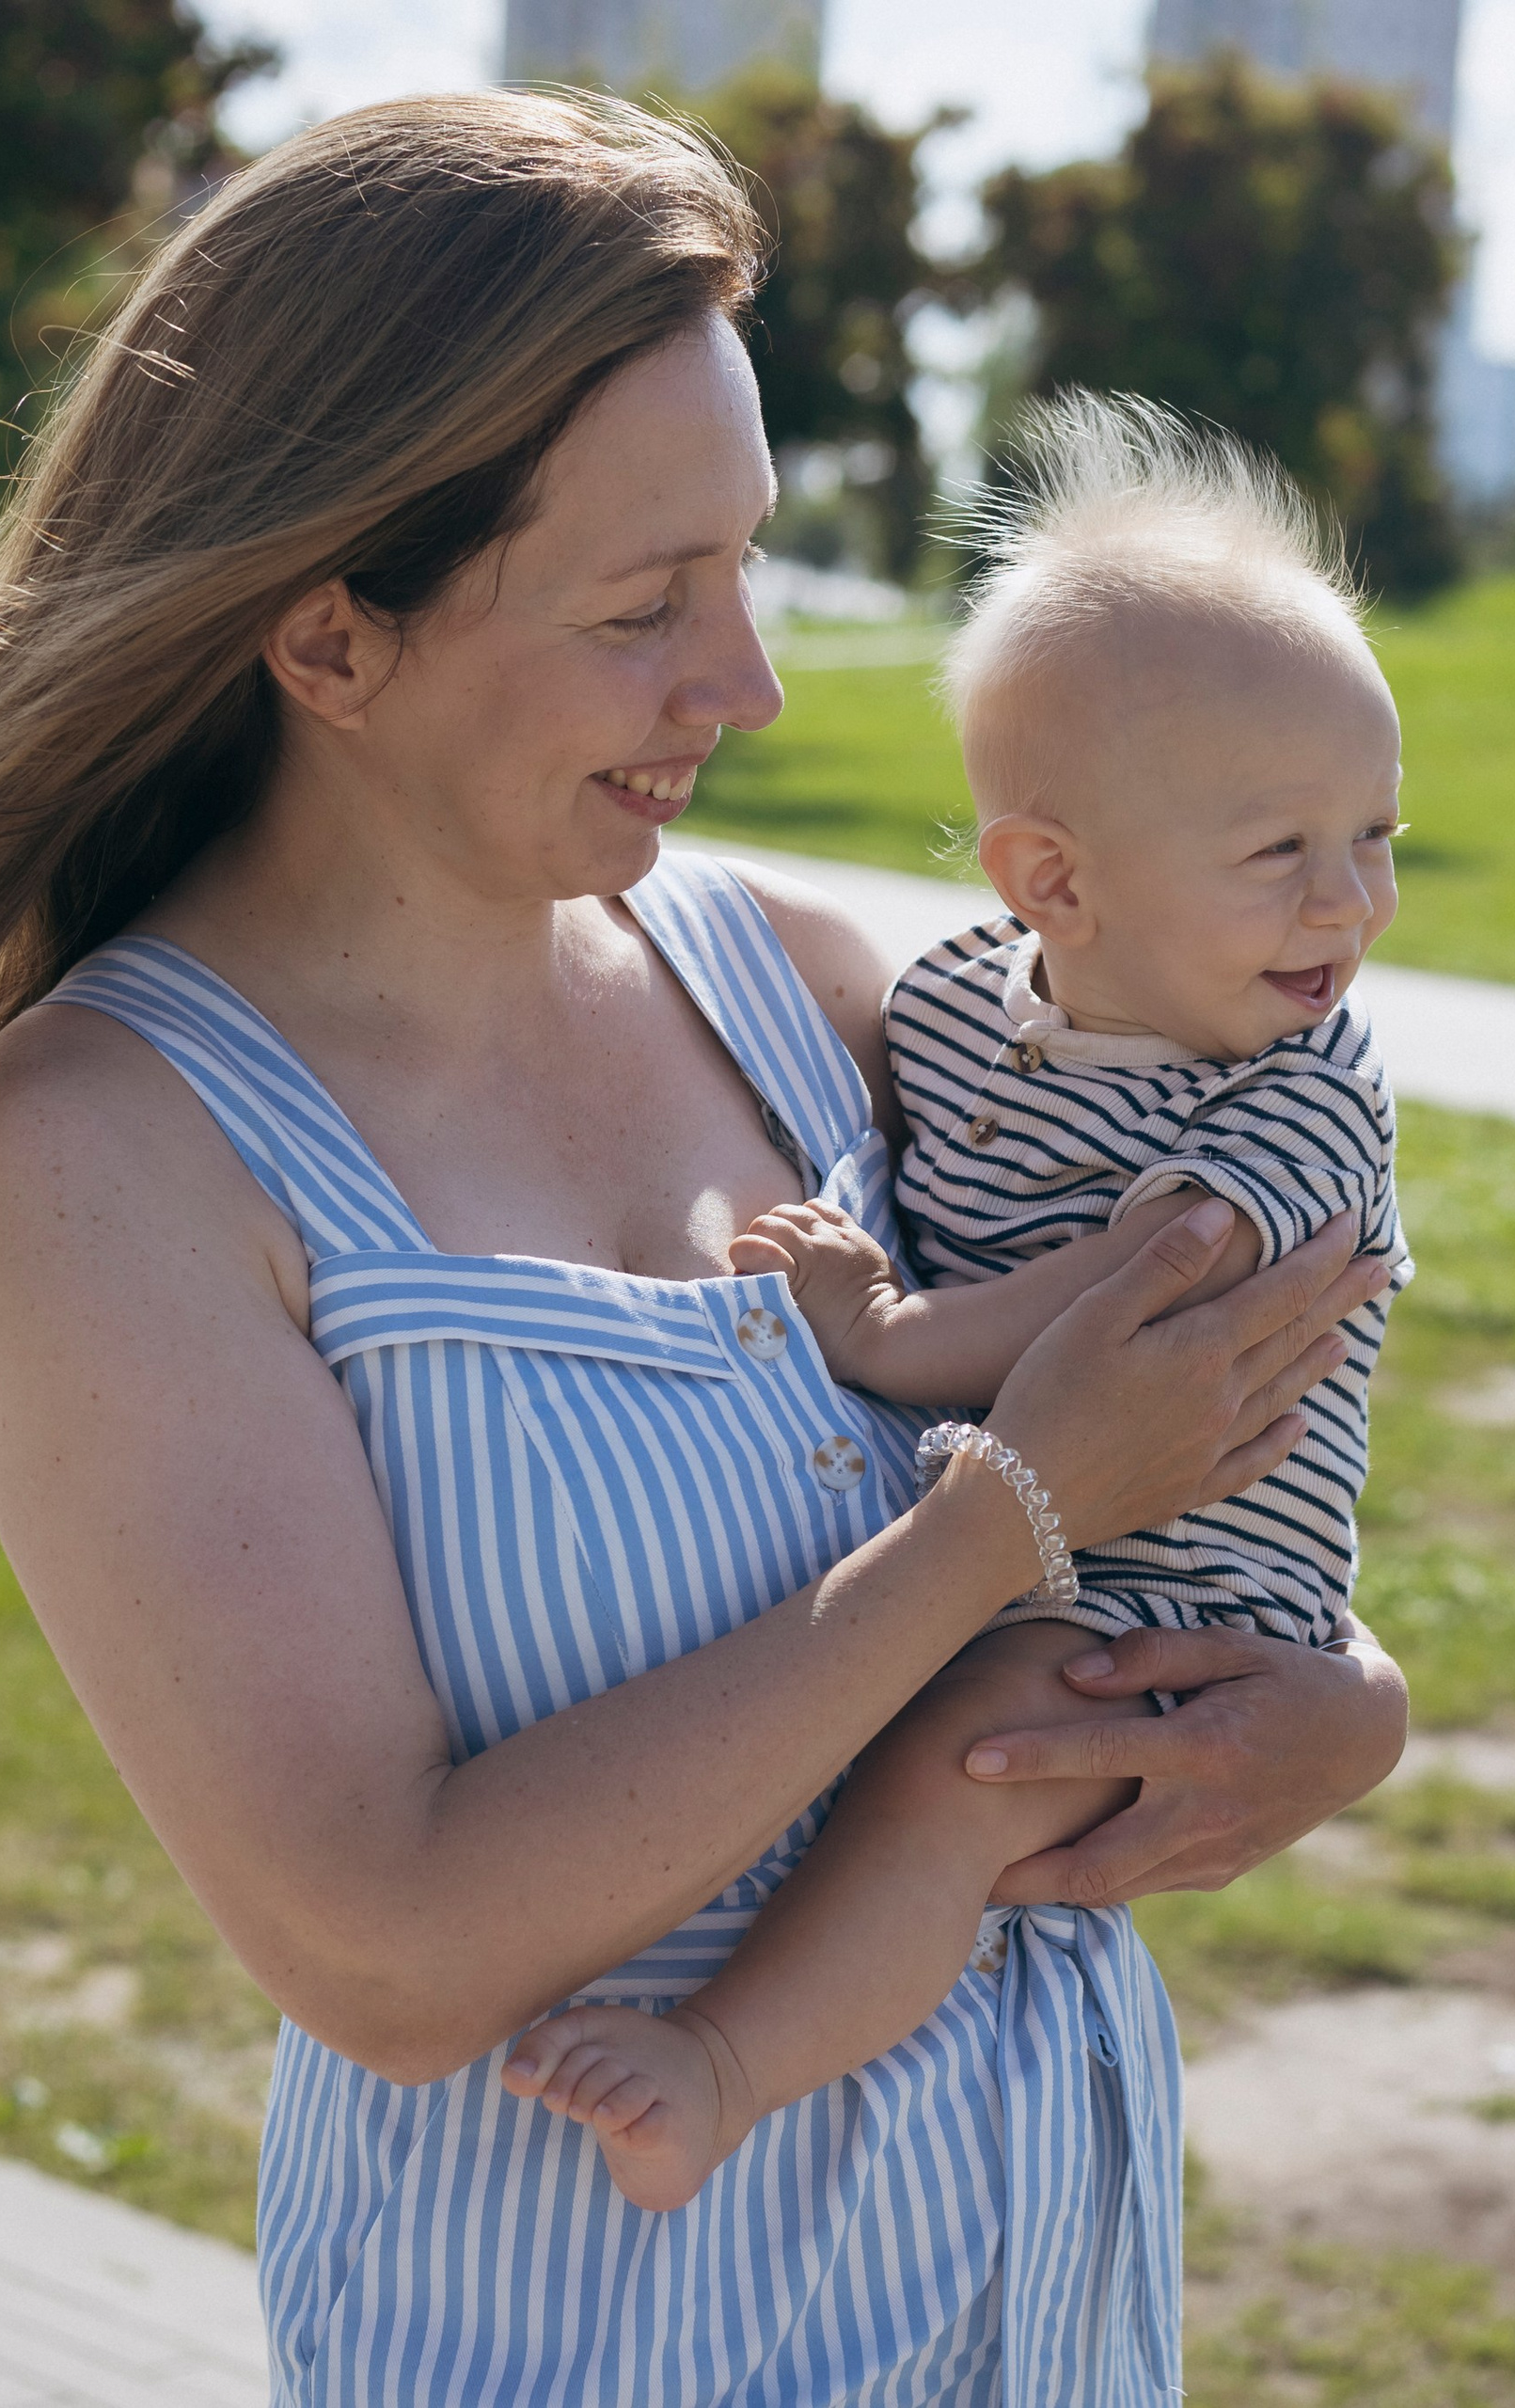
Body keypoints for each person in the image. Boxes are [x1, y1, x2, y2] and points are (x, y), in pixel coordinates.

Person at [0, 92, 1408, 2406]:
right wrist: (1012, 1512)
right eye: (642, 603)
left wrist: (1345, 1711)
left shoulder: (811, 982)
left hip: (1041, 2317)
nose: (750, 681)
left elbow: (1190, 1468)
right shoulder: (117, 1142)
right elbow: (381, 1943)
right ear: (327, 636)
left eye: (747, 563)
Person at [500, 395, 1415, 2216]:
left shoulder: (1303, 1090)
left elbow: (1130, 1310)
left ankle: (723, 2061)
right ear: (1050, 879)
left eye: (1375, 835)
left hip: (1179, 1593)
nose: (1352, 902)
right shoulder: (939, 1011)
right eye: (1281, 852)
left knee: (961, 1760)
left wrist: (888, 1334)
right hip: (1033, 1527)